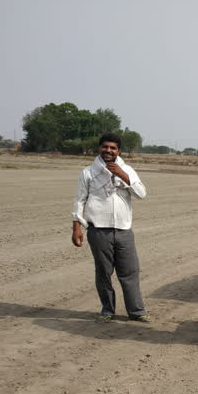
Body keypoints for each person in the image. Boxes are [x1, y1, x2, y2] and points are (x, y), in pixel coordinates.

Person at [71, 133, 150, 323]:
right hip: (98, 230)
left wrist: (121, 175)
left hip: (124, 230)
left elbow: (142, 194)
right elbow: (79, 200)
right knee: (103, 272)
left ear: (119, 151)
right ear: (99, 148)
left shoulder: (128, 170)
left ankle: (136, 311)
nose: (108, 150)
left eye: (113, 148)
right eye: (105, 147)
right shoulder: (88, 172)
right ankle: (107, 309)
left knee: (130, 271)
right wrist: (76, 227)